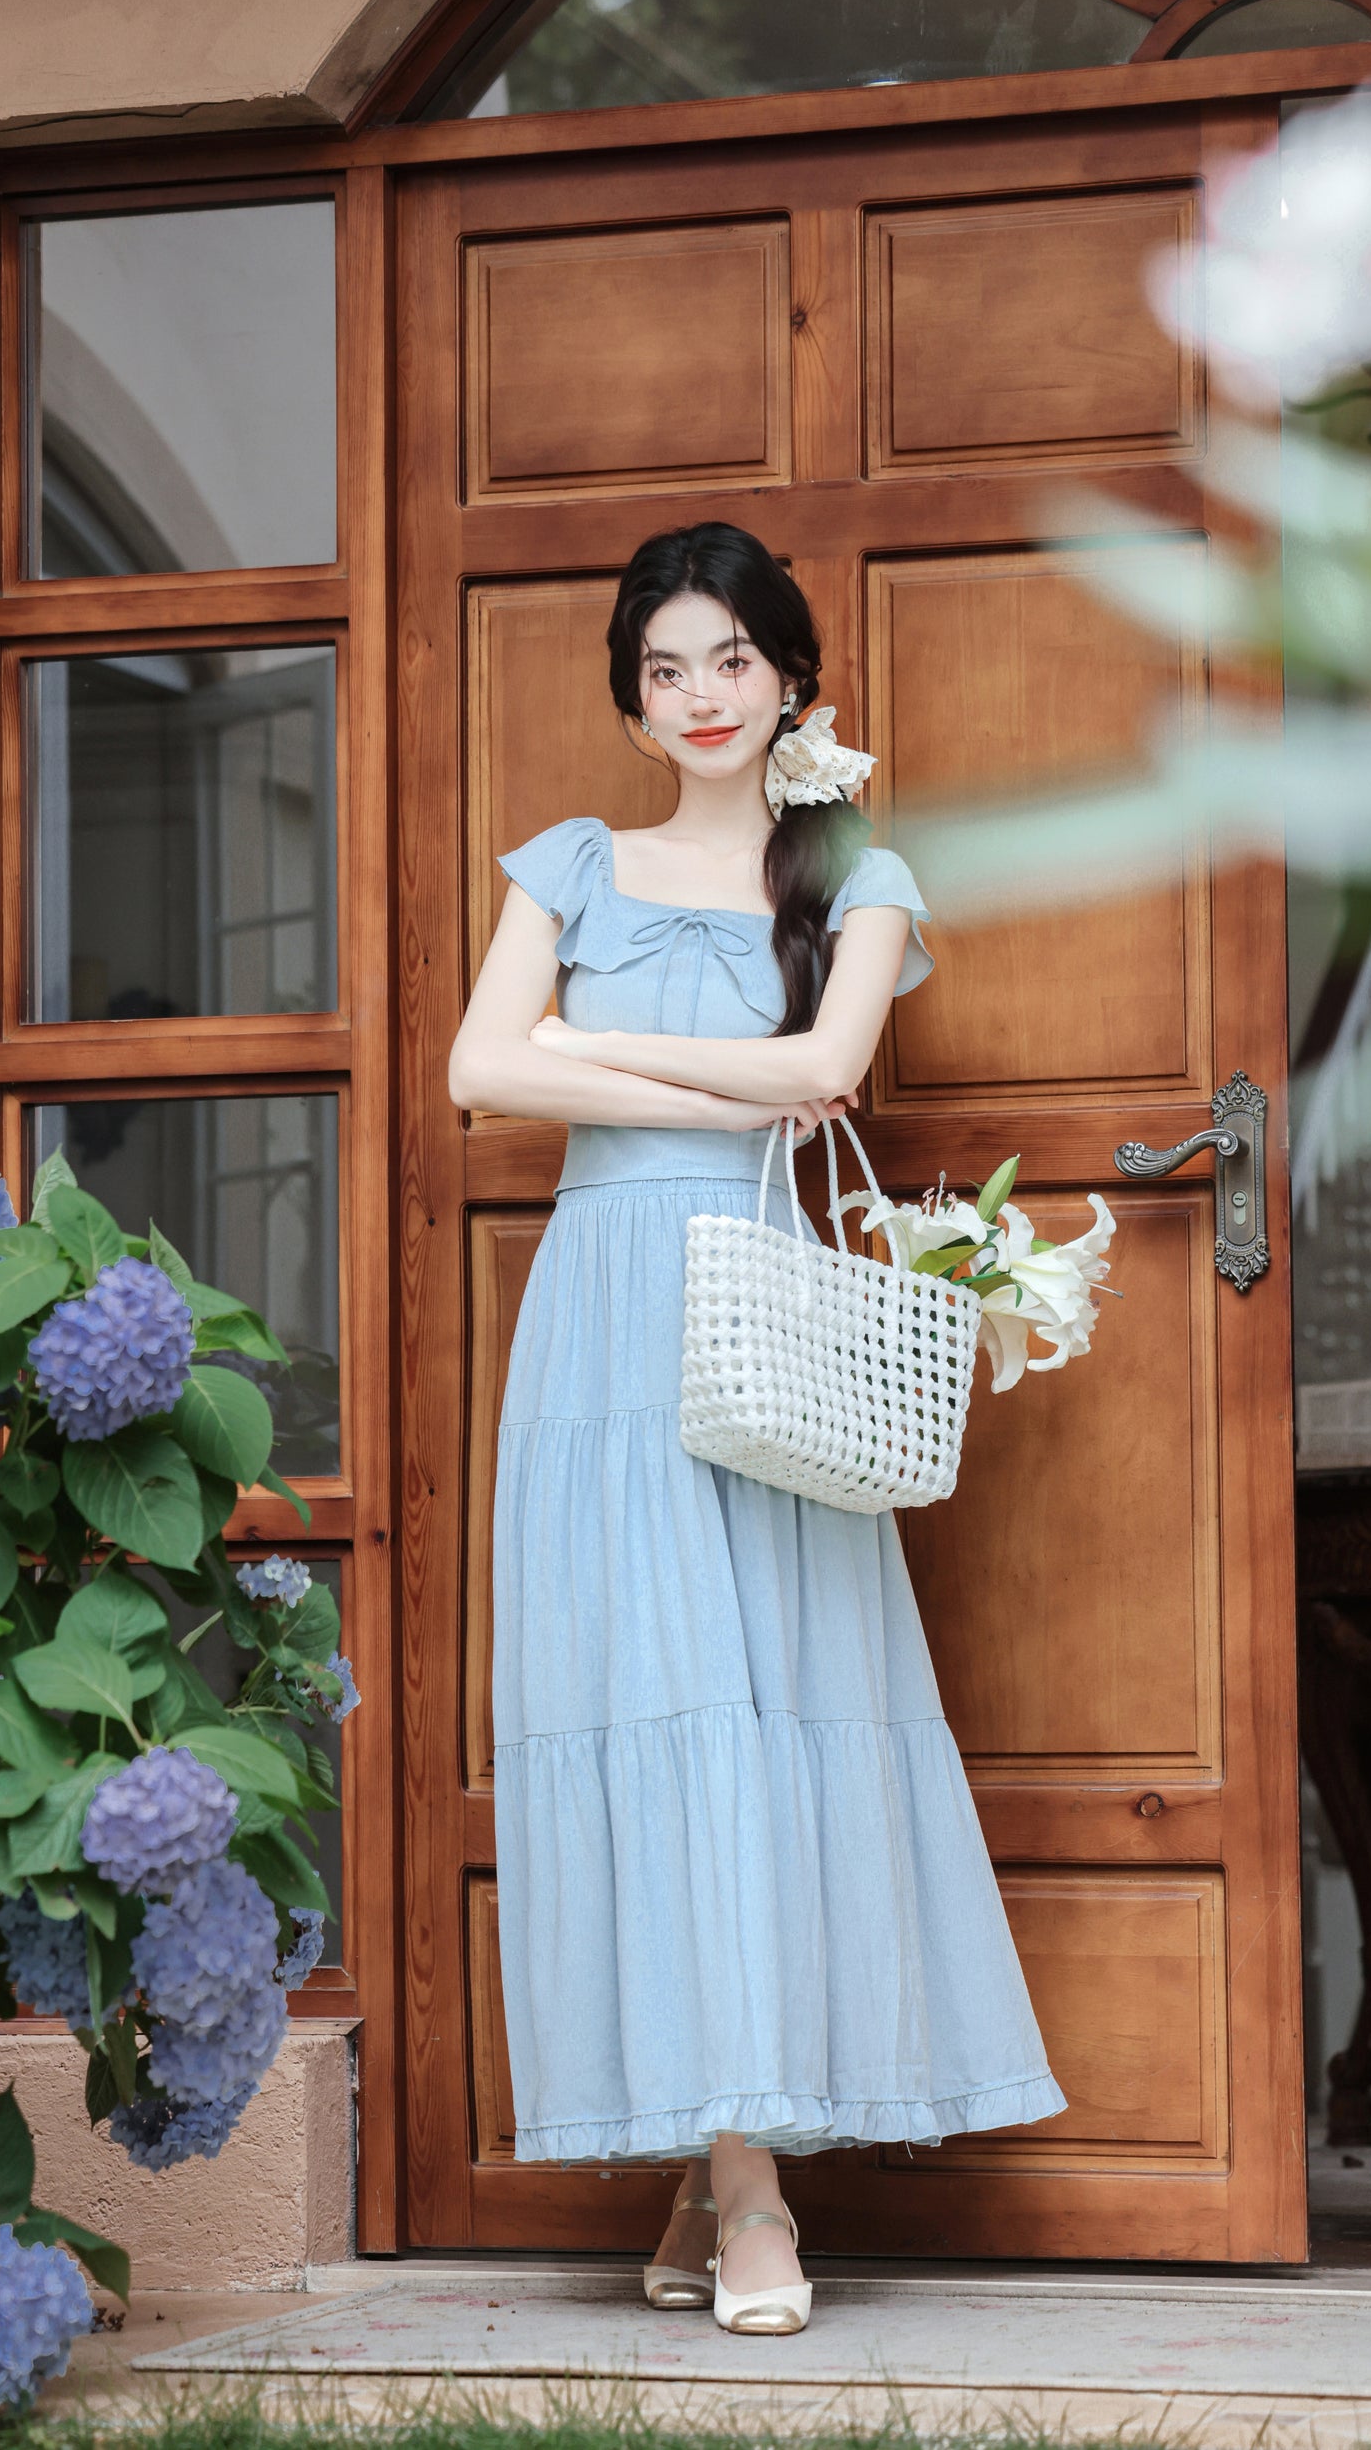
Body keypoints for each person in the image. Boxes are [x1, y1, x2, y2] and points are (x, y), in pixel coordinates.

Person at [448, 522, 1064, 2339]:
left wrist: (605, 1055)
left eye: (731, 660)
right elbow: (482, 1070)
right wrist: (695, 1070)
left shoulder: (856, 871)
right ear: (633, 701)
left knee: (758, 1727)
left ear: (790, 676)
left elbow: (824, 1076)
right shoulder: (573, 862)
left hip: (764, 1326)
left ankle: (722, 2182)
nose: (700, 696)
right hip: (600, 1331)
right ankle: (741, 2191)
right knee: (654, 1718)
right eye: (664, 669)